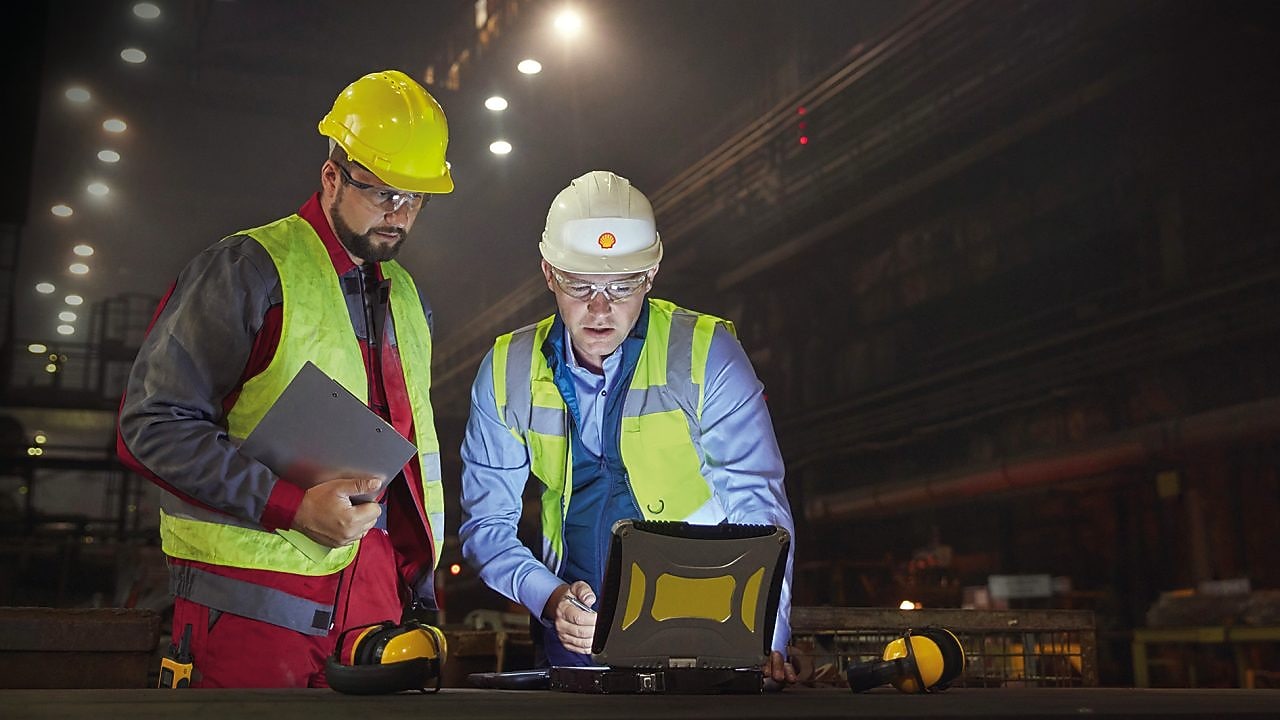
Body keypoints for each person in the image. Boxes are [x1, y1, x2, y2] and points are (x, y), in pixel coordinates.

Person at [116, 70, 452, 688]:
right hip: (250, 605)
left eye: (415, 199)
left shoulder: (407, 297)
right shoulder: (246, 272)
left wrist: (416, 585)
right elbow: (152, 425)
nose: (399, 215)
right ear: (332, 177)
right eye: (383, 194)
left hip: (374, 601)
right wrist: (290, 507)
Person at [458, 170, 797, 683]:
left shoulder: (706, 355)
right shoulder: (506, 371)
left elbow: (760, 510)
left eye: (622, 286)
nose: (600, 308)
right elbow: (486, 525)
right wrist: (549, 599)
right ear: (548, 272)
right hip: (575, 637)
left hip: (705, 634)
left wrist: (764, 638)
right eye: (579, 284)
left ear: (652, 273)